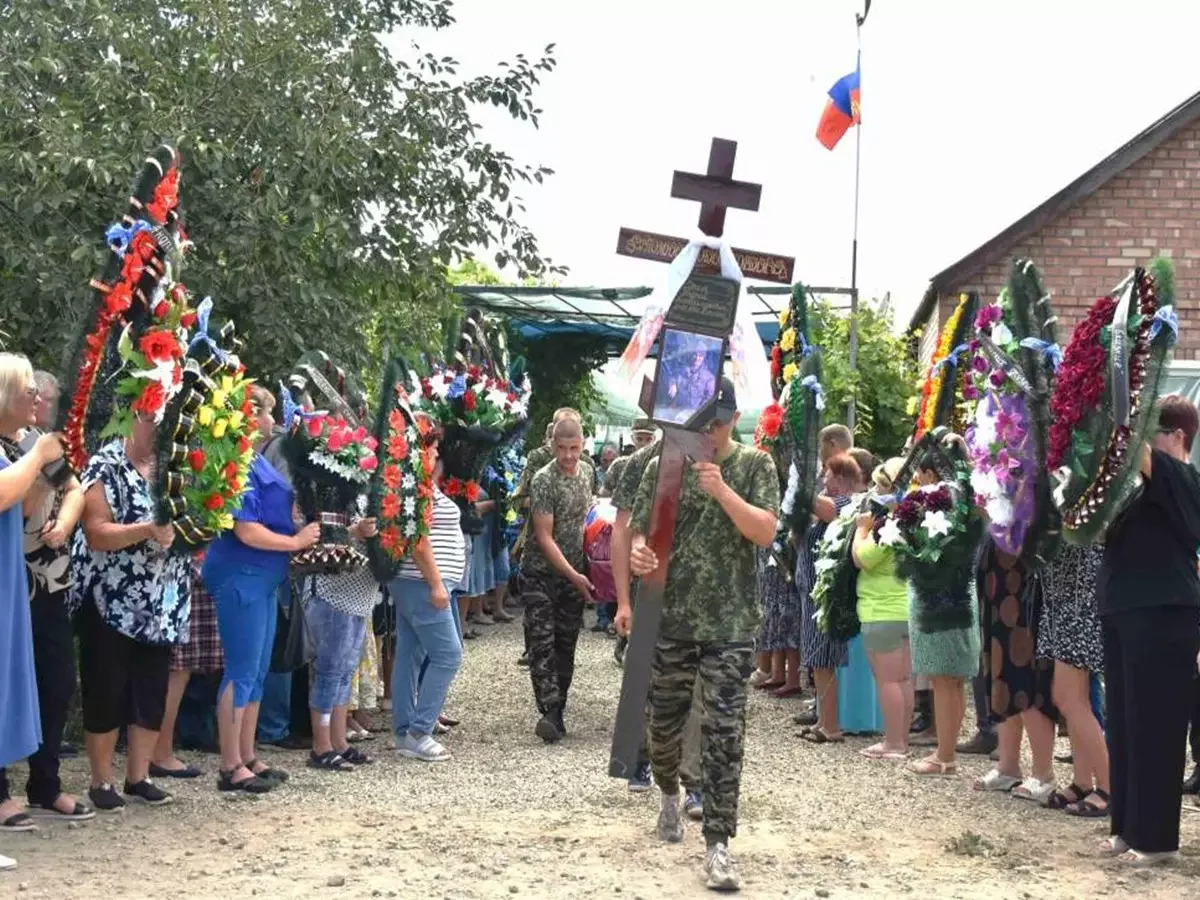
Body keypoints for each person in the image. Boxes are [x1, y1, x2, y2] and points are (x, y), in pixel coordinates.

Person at [628, 376, 779, 892]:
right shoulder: (663, 465)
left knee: (724, 734)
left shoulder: (756, 465)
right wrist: (638, 557)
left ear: (734, 419)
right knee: (662, 731)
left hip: (731, 623)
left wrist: (722, 489)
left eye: (718, 422)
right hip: (671, 621)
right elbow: (642, 538)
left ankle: (718, 844)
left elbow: (764, 531)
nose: (709, 432)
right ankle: (669, 790)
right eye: (702, 423)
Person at [71, 415, 191, 810]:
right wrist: (146, 529)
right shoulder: (105, 466)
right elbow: (96, 532)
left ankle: (139, 777)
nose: (160, 432)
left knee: (150, 689)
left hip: (162, 600)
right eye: (152, 422)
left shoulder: (173, 467)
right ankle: (101, 781)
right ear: (131, 419)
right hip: (113, 598)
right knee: (107, 687)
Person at [204, 385, 320, 791]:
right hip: (243, 574)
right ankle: (230, 763)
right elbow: (245, 528)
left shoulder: (256, 459)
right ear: (250, 416)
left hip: (266, 576)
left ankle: (247, 752)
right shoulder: (234, 461)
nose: (273, 420)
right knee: (240, 669)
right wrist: (296, 541)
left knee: (255, 670)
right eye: (268, 412)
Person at [1100, 395, 1200, 865]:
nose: (1144, 440)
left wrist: (1119, 404)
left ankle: (1156, 839)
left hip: (1163, 611)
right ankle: (1126, 826)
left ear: (1177, 436)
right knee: (1123, 722)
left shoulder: (1183, 477)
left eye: (1152, 429)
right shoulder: (1139, 487)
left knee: (1155, 724)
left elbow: (1135, 448)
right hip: (1123, 607)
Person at [0, 360, 92, 823]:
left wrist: (68, 518)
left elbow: (75, 486)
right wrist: (38, 468)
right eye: (28, 391)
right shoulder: (21, 451)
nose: (37, 399)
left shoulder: (37, 442)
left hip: (48, 578)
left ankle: (45, 783)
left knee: (56, 681)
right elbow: (13, 506)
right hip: (10, 576)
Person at [390, 418, 467, 762]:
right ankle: (419, 731)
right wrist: (436, 583)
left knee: (410, 655)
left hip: (417, 582)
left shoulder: (416, 484)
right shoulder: (413, 487)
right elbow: (418, 541)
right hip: (422, 582)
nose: (437, 453)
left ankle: (405, 729)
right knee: (449, 655)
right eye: (432, 447)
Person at [906, 454, 981, 777]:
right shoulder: (966, 494)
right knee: (952, 679)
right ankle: (946, 752)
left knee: (944, 677)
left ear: (929, 472)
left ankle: (945, 755)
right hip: (959, 589)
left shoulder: (941, 499)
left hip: (941, 592)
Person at [524, 417, 594, 742]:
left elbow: (587, 520)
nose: (568, 456)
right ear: (552, 445)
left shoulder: (588, 473)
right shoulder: (543, 480)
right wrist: (574, 574)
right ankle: (549, 710)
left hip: (575, 574)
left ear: (582, 444)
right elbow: (544, 537)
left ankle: (559, 708)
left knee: (566, 643)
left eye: (574, 448)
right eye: (562, 448)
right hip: (542, 573)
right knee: (541, 644)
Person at [972, 537, 1057, 802]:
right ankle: (1008, 765)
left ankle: (1043, 773)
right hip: (998, 581)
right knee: (1001, 674)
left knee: (1027, 678)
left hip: (1024, 583)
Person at [304, 507, 379, 770]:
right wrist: (355, 532)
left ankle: (339, 743)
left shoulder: (369, 488)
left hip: (359, 596)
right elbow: (315, 536)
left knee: (345, 671)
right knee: (329, 671)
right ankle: (321, 747)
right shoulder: (329, 482)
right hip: (331, 594)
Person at [1038, 543, 1109, 816]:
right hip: (1063, 595)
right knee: (1069, 698)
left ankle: (1108, 786)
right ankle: (1082, 781)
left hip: (1079, 595)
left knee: (1071, 699)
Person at [794, 425, 855, 740]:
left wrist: (799, 485)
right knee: (817, 660)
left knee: (823, 659)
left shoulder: (847, 503)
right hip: (811, 588)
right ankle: (822, 720)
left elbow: (823, 508)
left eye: (829, 477)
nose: (825, 482)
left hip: (827, 594)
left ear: (843, 480)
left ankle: (831, 726)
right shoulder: (830, 501)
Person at [851, 457, 912, 760]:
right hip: (904, 608)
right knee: (903, 680)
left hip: (881, 609)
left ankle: (894, 743)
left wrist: (861, 531)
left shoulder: (889, 525)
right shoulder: (914, 520)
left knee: (888, 680)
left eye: (879, 485)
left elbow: (862, 558)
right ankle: (901, 740)